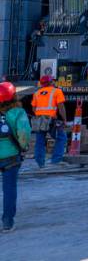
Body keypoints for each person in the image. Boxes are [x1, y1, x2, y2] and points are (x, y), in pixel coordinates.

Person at [0, 82, 29, 232]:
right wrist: (23, 148)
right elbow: (23, 134)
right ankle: (7, 222)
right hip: (11, 156)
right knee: (9, 188)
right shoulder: (18, 113)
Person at [30, 75, 67, 168]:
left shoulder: (37, 93)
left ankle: (40, 162)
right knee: (61, 137)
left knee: (40, 141)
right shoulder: (57, 91)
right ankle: (56, 160)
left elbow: (34, 108)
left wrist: (40, 115)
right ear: (51, 82)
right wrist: (64, 119)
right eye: (53, 81)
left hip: (39, 120)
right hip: (51, 120)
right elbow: (61, 107)